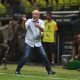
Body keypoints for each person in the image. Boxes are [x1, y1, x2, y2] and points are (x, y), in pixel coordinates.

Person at [15, 10, 55, 75]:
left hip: (38, 42)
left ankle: (49, 71)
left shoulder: (42, 22)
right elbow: (24, 28)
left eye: (35, 14)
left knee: (44, 55)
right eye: (33, 14)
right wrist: (24, 21)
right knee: (25, 56)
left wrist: (38, 26)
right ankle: (17, 70)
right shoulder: (28, 21)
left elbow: (43, 31)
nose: (34, 15)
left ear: (38, 15)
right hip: (29, 41)